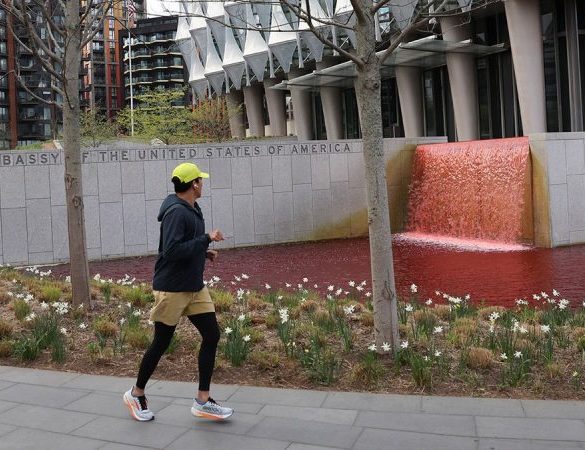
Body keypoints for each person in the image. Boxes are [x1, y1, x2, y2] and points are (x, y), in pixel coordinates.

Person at [123, 162, 233, 421]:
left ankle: (202, 401)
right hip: (172, 288)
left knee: (212, 335)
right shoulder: (176, 213)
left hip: (194, 286)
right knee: (161, 342)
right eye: (200, 180)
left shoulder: (193, 208)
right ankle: (136, 393)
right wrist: (206, 239)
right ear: (194, 184)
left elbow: (185, 244)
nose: (202, 184)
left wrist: (203, 252)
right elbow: (171, 251)